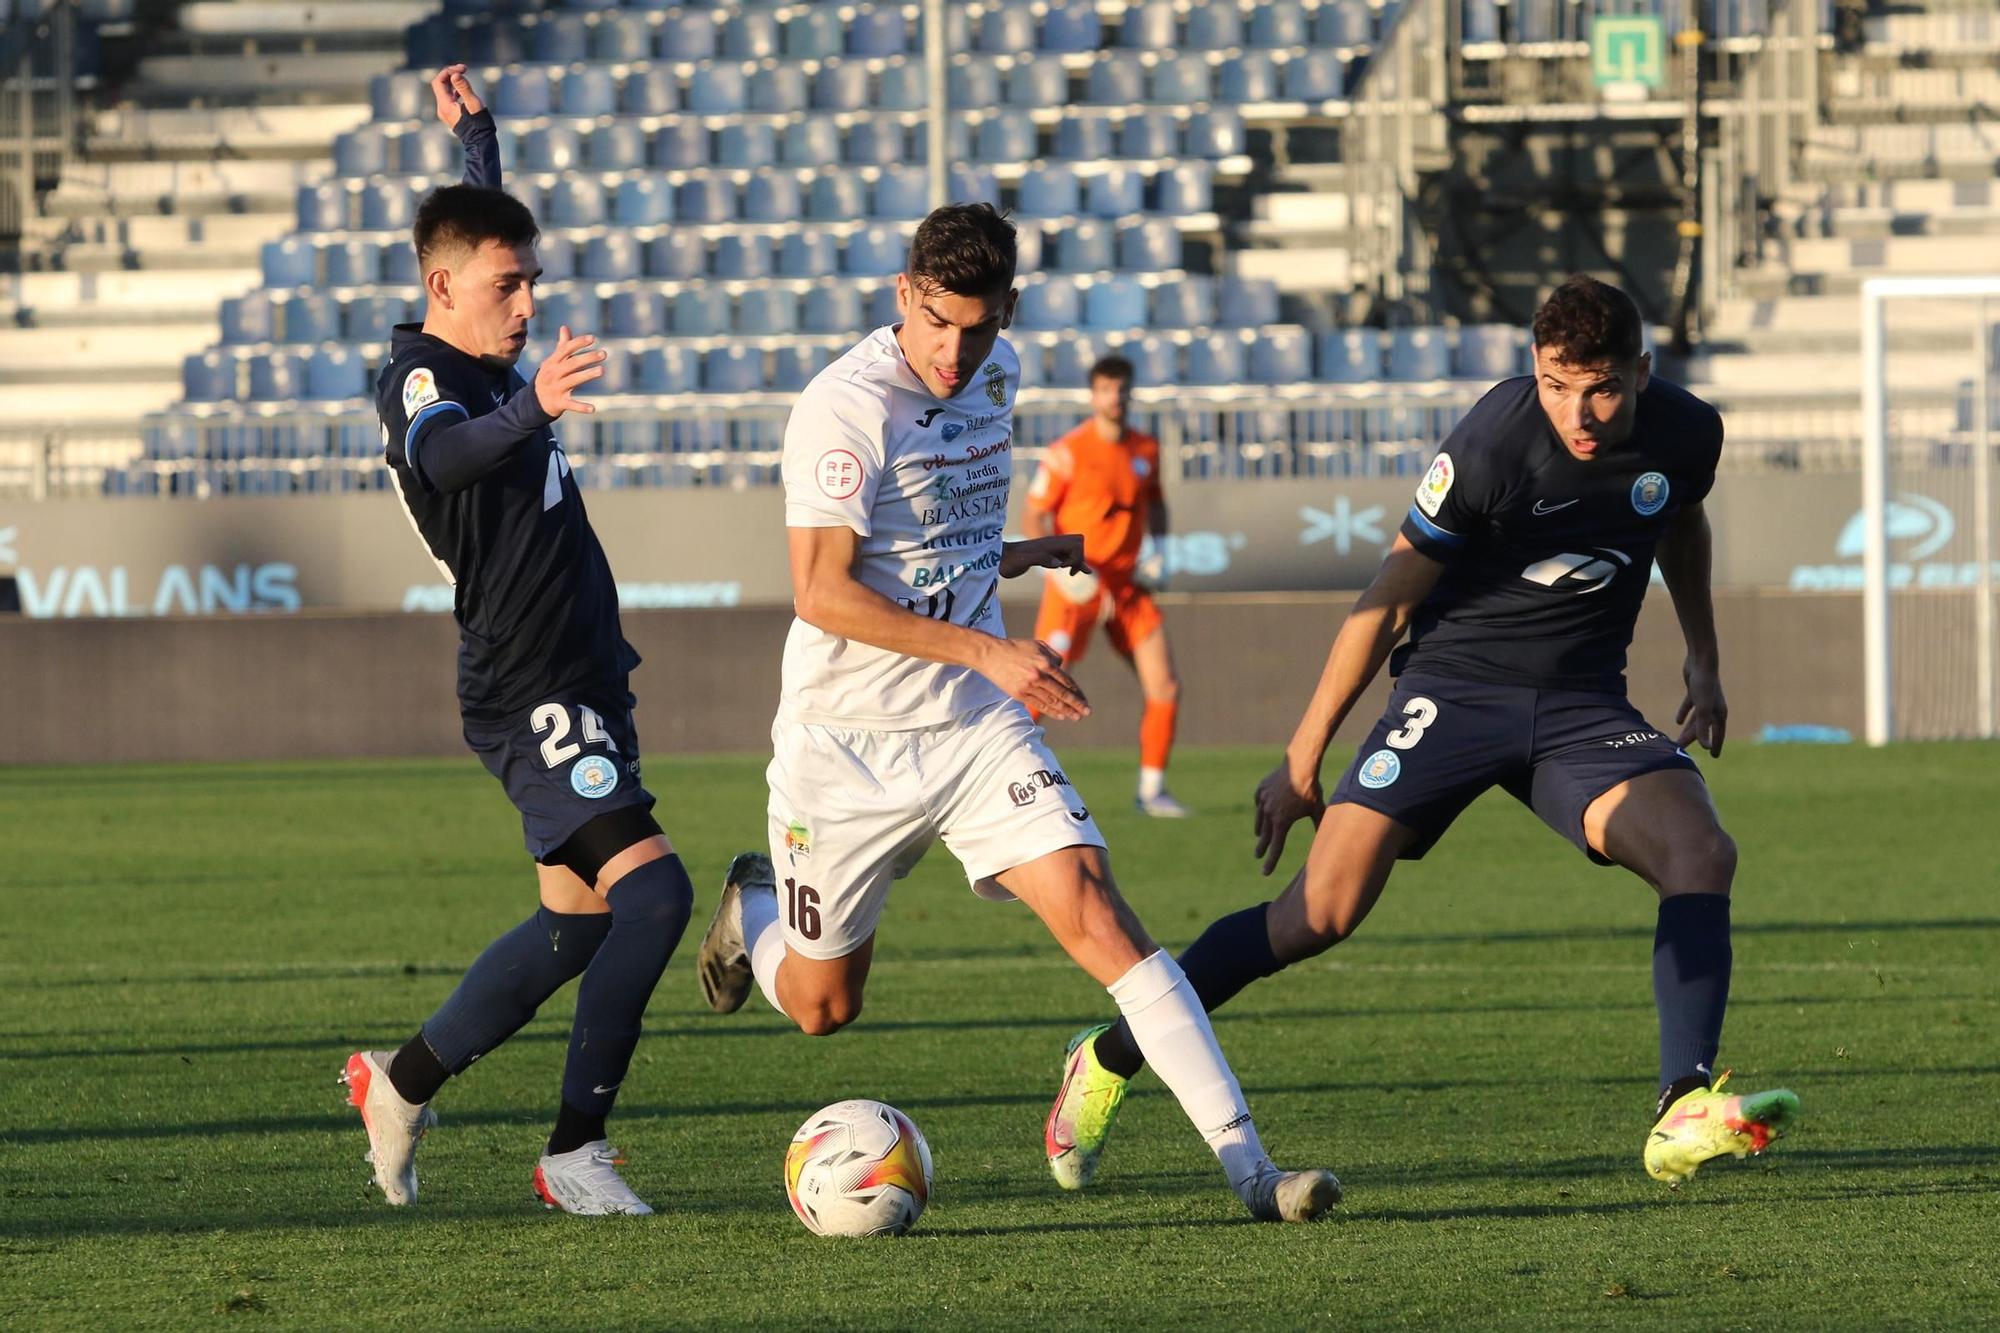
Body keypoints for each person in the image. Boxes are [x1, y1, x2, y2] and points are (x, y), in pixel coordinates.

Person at [1044, 276, 1800, 1192]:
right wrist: (1302, 753)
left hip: (1580, 706)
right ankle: (1115, 1053)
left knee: (1700, 851)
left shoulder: (1688, 433)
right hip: (1454, 690)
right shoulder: (1491, 443)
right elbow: (1386, 602)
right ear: (1534, 367)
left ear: (1641, 371)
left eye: (1601, 386)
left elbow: (1679, 517)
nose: (1581, 411)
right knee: (1317, 914)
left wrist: (1703, 659)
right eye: (1558, 384)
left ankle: (1681, 1104)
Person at [694, 203, 1339, 1222]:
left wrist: (1009, 561)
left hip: (967, 725)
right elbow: (822, 591)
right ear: (904, 295)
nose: (955, 352)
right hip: (843, 748)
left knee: (1095, 906)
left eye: (980, 327)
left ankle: (1251, 1171)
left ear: (1008, 315)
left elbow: (926, 541)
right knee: (824, 1006)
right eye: (938, 323)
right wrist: (994, 646)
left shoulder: (996, 376)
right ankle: (751, 910)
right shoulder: (840, 408)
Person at [340, 66, 693, 1217]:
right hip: (529, 683)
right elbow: (440, 456)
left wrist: (478, 143)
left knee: (573, 921)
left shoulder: (476, 344)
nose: (528, 303)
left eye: (532, 281)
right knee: (653, 898)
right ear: (444, 288)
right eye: (510, 285)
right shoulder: (418, 377)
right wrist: (533, 404)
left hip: (581, 669)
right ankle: (575, 1150)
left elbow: (477, 243)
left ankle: (400, 1081)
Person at [1024, 354, 1188, 817]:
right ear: (1093, 395)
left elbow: (1155, 504)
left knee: (1165, 684)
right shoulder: (1067, 452)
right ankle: (998, 782)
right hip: (1077, 583)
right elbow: (1033, 512)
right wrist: (1054, 566)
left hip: (1127, 586)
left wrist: (1160, 551)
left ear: (1130, 392)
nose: (1113, 398)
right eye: (1105, 390)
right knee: (1039, 684)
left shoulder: (1146, 450)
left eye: (1120, 389)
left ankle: (1152, 791)